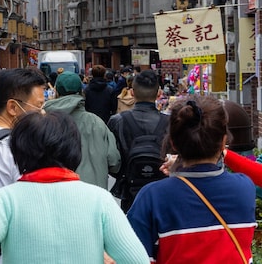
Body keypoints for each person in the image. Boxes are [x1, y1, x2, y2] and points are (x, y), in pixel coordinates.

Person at [0, 111, 150, 264]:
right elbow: (136, 259)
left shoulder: (4, 200)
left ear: (18, 151)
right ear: (74, 150)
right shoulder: (100, 199)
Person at [127, 95, 256, 264]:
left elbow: (135, 258)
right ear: (224, 141)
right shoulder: (244, 187)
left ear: (173, 142)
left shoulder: (152, 197)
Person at [43, 71, 120, 189]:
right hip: (92, 194)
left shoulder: (44, 122)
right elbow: (114, 161)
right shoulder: (96, 123)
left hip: (55, 194)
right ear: (81, 92)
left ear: (56, 92)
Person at [107, 68, 168, 211]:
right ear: (159, 93)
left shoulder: (117, 121)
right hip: (163, 190)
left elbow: (111, 160)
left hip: (129, 189)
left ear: (132, 93)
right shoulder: (170, 122)